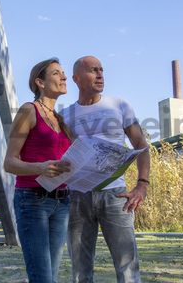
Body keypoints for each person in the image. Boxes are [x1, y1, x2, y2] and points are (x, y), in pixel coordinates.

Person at [61, 56, 151, 283]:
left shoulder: (119, 105)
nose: (100, 75)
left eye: (101, 70)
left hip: (115, 195)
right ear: (76, 78)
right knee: (81, 272)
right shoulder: (64, 116)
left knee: (128, 267)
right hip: (77, 197)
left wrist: (142, 185)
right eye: (93, 70)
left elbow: (141, 146)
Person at [4, 58, 72, 283]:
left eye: (63, 73)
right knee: (42, 278)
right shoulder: (28, 111)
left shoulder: (61, 121)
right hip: (32, 201)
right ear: (39, 82)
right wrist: (41, 167)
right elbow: (9, 162)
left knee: (50, 275)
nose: (63, 77)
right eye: (56, 73)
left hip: (62, 201)